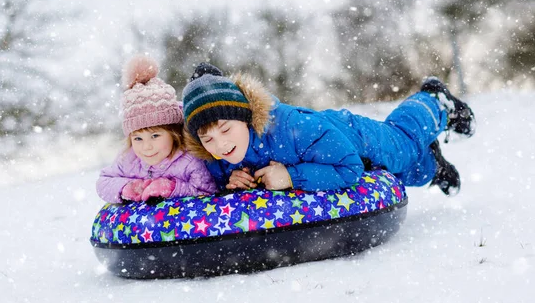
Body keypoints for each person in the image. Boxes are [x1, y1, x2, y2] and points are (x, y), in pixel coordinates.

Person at [182, 63, 476, 196]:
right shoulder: (217, 159)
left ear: (244, 117)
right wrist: (232, 180)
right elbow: (215, 185)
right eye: (207, 139)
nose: (219, 145)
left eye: (224, 129)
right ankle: (434, 166)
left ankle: (434, 100)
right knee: (401, 174)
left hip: (354, 138)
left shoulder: (291, 127)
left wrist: (290, 176)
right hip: (343, 158)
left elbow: (348, 168)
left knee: (402, 147)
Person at [96, 57, 217, 204]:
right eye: (138, 138)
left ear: (174, 133)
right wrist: (127, 187)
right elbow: (103, 182)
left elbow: (207, 190)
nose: (146, 146)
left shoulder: (190, 159)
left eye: (155, 135)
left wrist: (172, 188)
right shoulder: (129, 159)